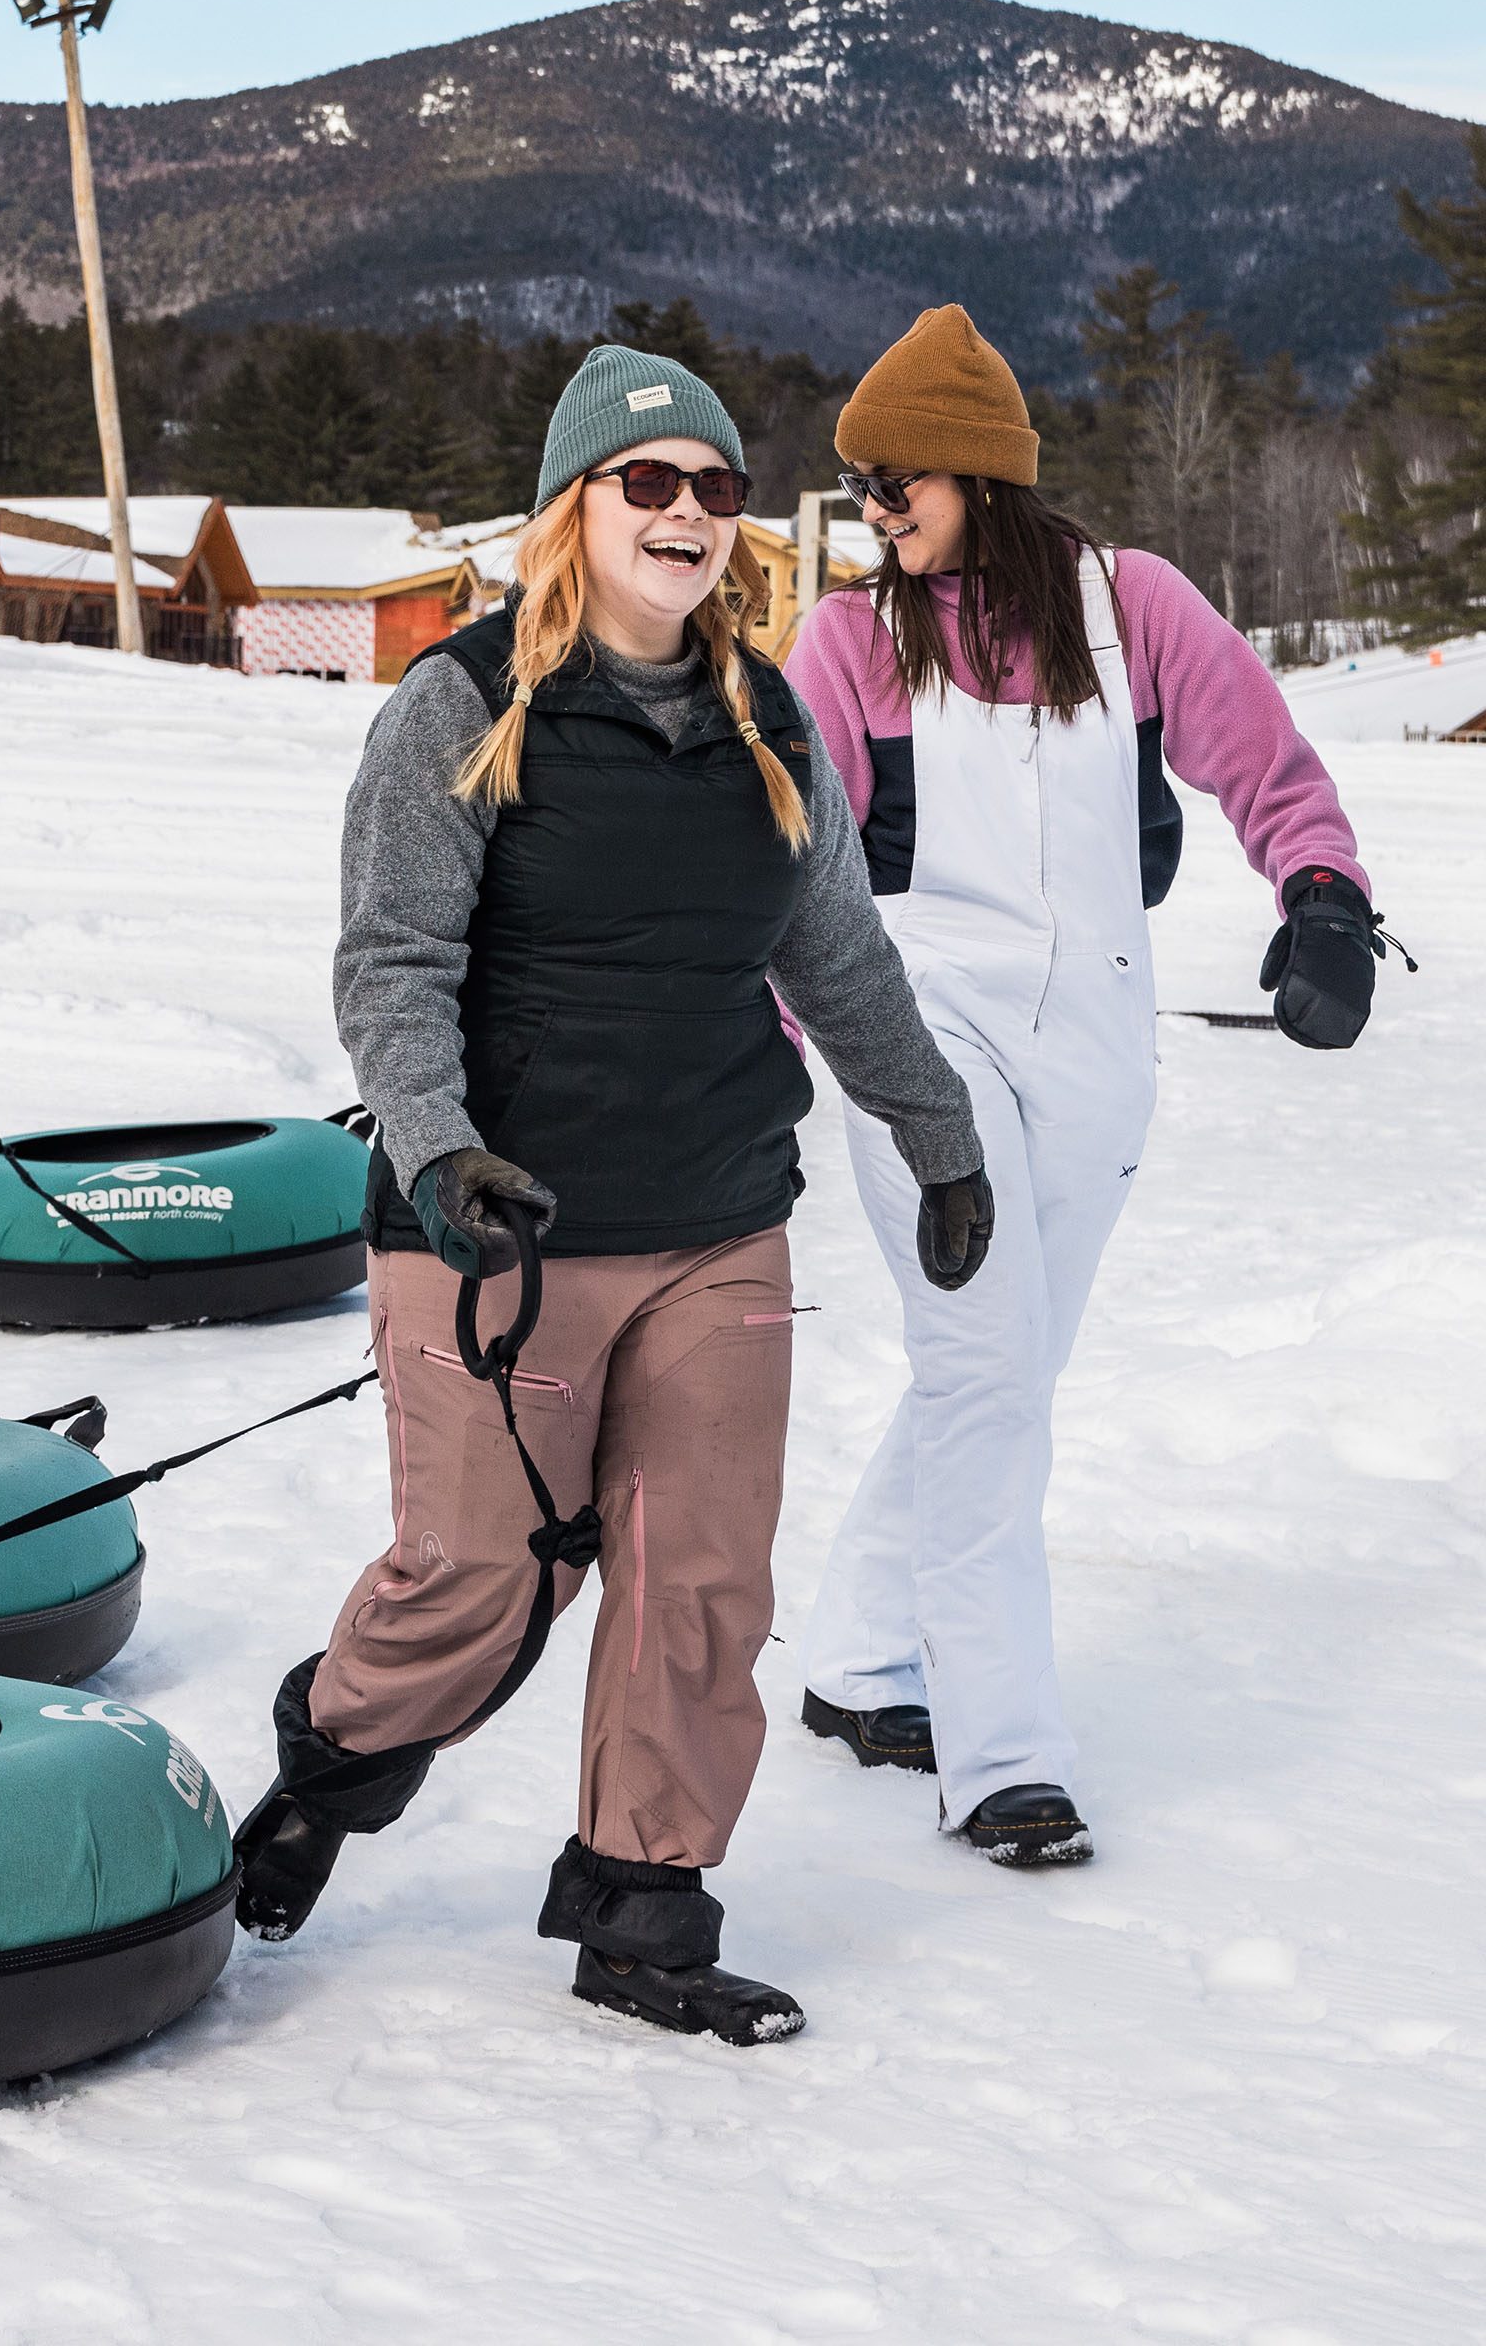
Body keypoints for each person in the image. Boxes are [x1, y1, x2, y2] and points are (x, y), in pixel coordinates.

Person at [233, 341, 989, 2046]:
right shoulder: (460, 700)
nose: (689, 513)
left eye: (717, 487)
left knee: (699, 1576)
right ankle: (333, 1766)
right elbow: (394, 964)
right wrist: (436, 1150)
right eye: (649, 481)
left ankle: (646, 1906)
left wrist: (941, 1137)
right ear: (572, 507)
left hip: (716, 1212)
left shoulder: (762, 714)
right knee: (482, 1576)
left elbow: (843, 961)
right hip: (499, 1225)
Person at [789, 303, 1388, 1868]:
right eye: (858, 486)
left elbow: (1266, 762)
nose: (873, 509)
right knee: (988, 1380)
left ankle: (859, 1662)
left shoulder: (1133, 609)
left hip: (1099, 1052)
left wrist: (1320, 898)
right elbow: (785, 871)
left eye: (894, 478)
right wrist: (754, 1058)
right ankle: (1003, 1758)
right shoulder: (851, 642)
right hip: (917, 1047)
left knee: (995, 1378)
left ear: (979, 471)